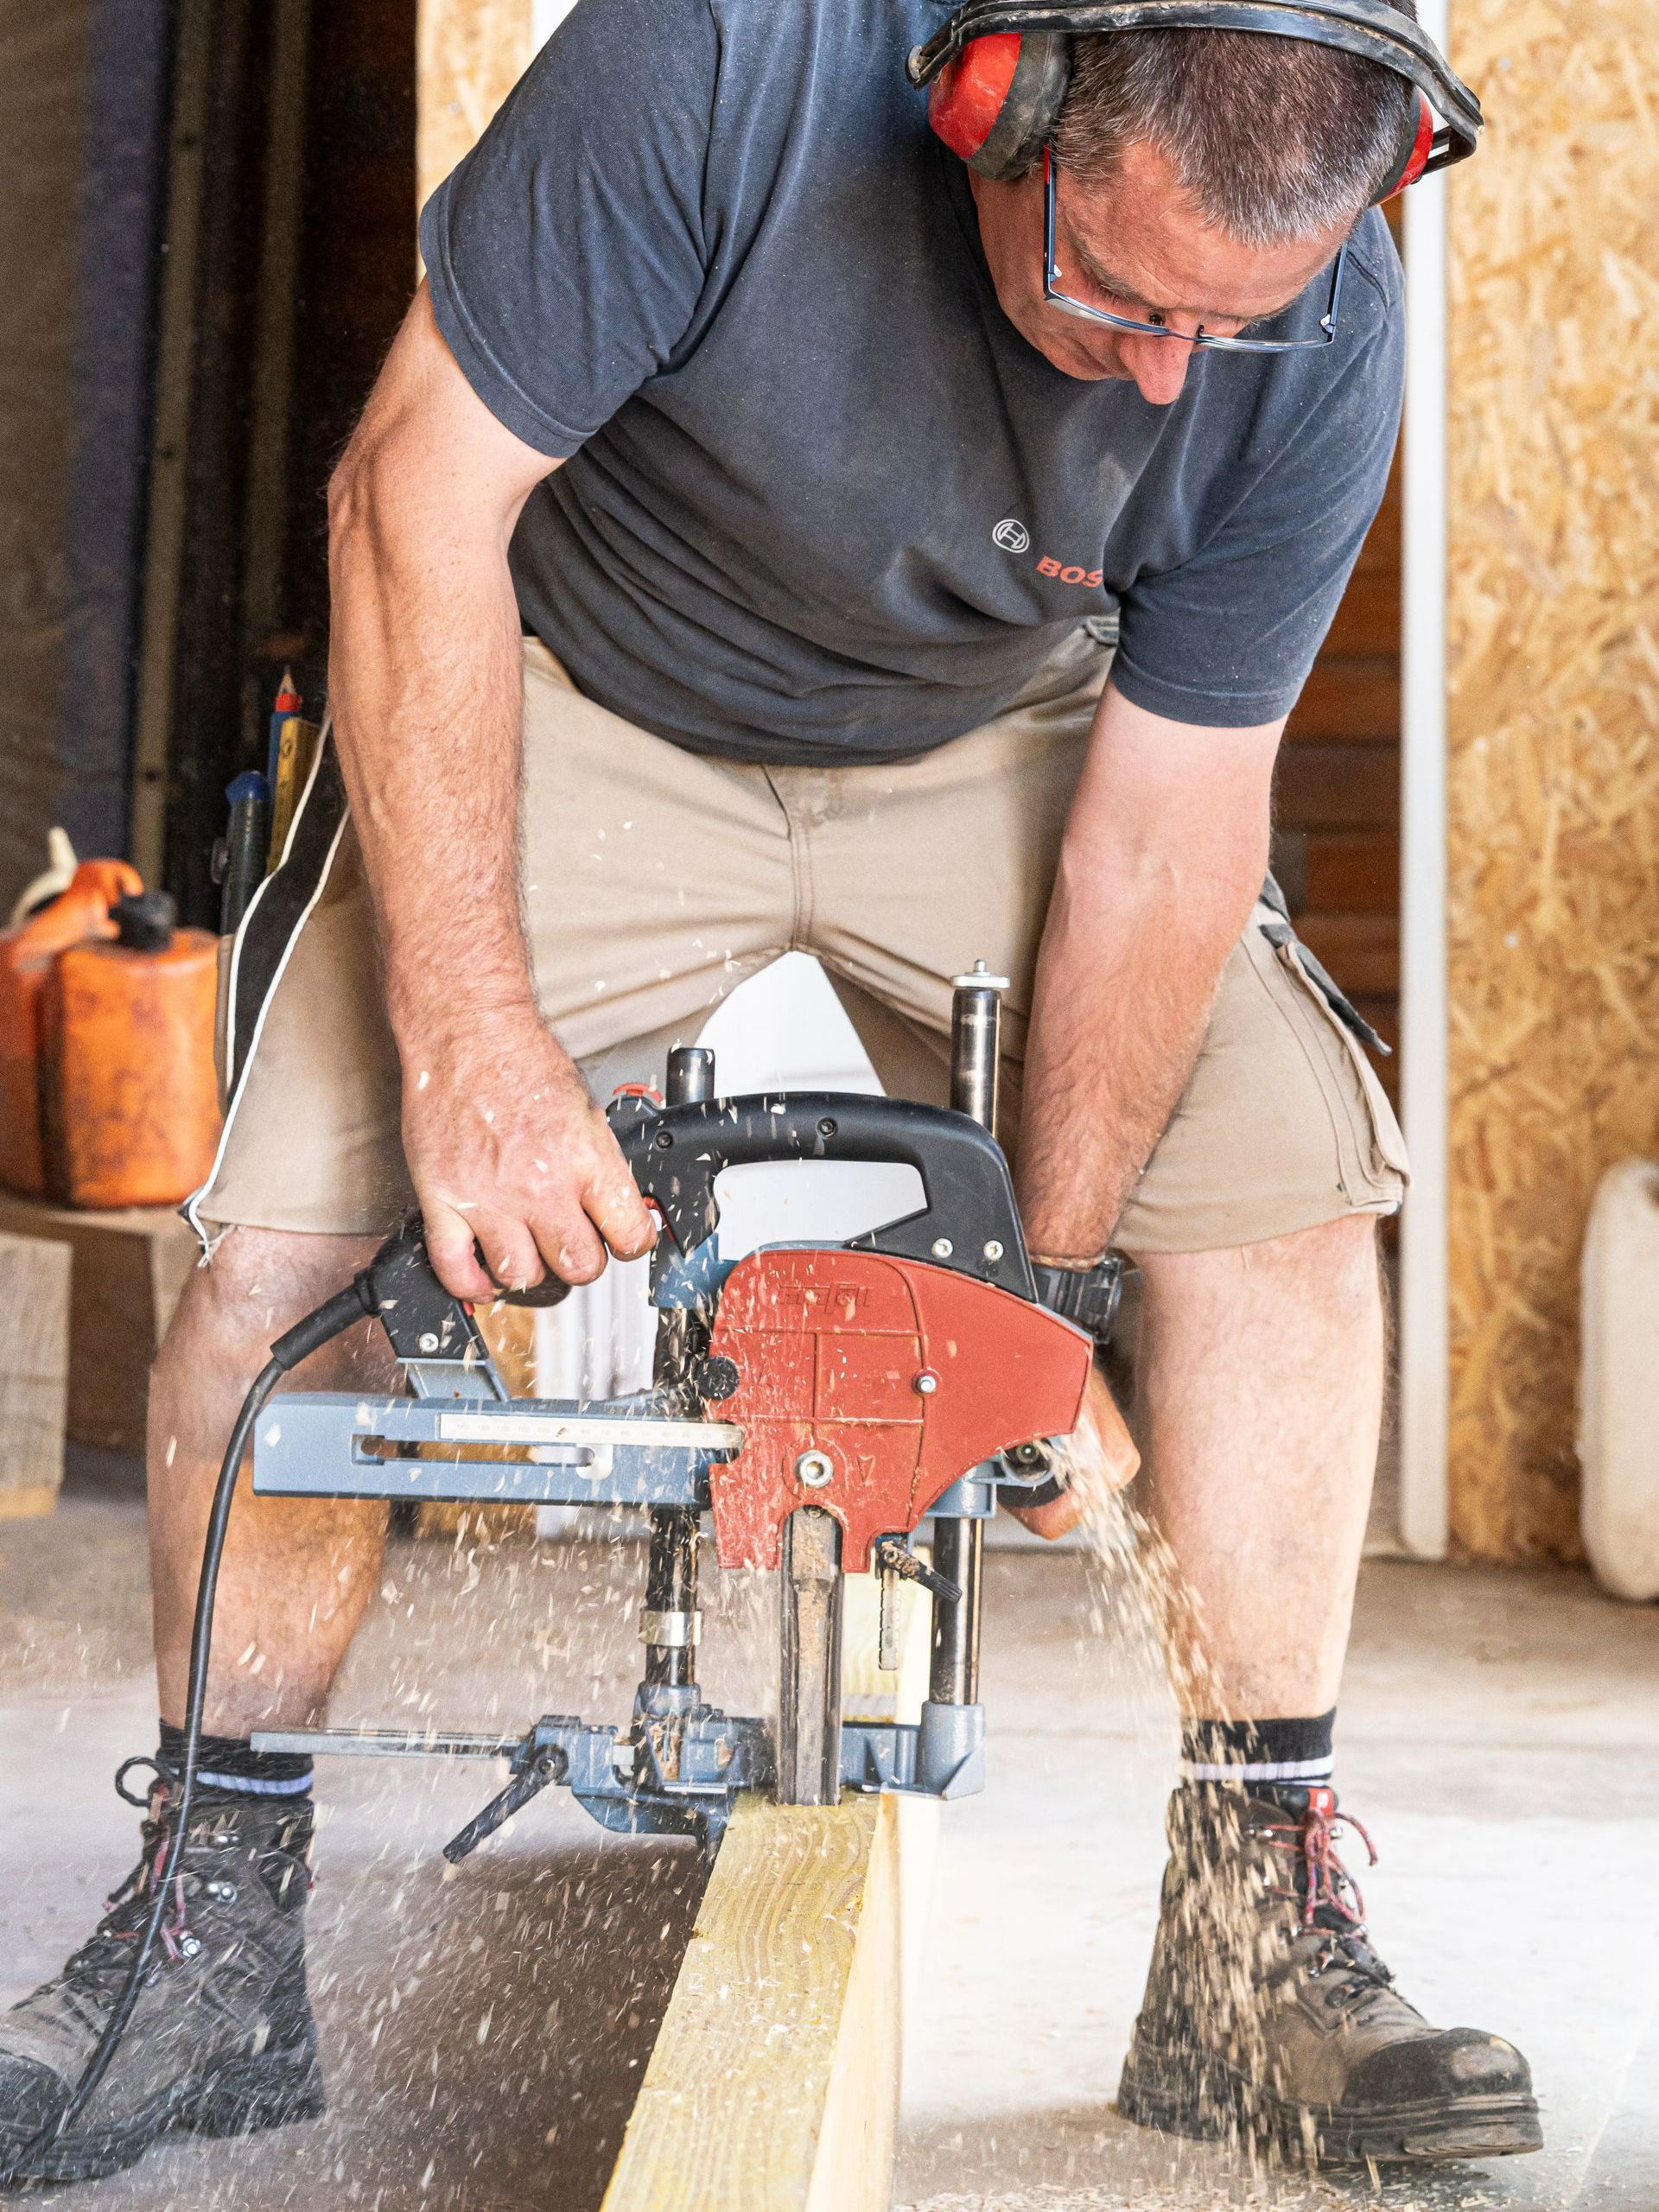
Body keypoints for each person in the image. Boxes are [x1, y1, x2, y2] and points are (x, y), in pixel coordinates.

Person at [0, 0, 1541, 2183]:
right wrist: (472, 1049)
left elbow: (1168, 824)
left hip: (992, 734)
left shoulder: (1326, 325)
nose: (1173, 371)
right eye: (1118, 290)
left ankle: (1246, 1929)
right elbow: (408, 491)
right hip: (585, 685)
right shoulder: (722, 59)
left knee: (1284, 1194)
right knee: (290, 1244)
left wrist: (1048, 1279)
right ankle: (212, 1933)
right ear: (993, 109)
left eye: (1238, 320)